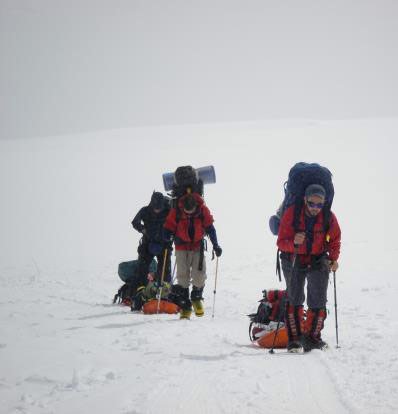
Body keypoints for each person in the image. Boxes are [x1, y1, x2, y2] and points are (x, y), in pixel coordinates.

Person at [277, 183, 341, 352]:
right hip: (293, 256)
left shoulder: (328, 216)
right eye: (312, 203)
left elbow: (335, 239)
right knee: (295, 298)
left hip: (318, 258)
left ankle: (312, 338)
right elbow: (281, 242)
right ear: (305, 199)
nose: (315, 208)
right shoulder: (292, 214)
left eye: (319, 204)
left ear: (324, 203)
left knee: (318, 299)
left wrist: (333, 259)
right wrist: (294, 242)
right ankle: (295, 340)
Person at [163, 193, 222, 319]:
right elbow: (168, 227)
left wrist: (216, 245)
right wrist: (166, 240)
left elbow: (210, 228)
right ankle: (185, 306)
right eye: (186, 211)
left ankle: (196, 297)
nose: (189, 214)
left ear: (196, 207)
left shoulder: (203, 210)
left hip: (197, 246)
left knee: (199, 276)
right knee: (182, 276)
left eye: (191, 211)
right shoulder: (176, 211)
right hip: (181, 246)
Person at [131, 192, 172, 310]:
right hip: (147, 243)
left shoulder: (168, 211)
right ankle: (140, 294)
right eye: (155, 208)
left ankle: (163, 293)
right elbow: (135, 222)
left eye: (159, 208)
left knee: (164, 269)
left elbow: (175, 223)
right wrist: (143, 229)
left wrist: (171, 236)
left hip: (164, 244)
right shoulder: (145, 210)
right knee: (142, 268)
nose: (157, 210)